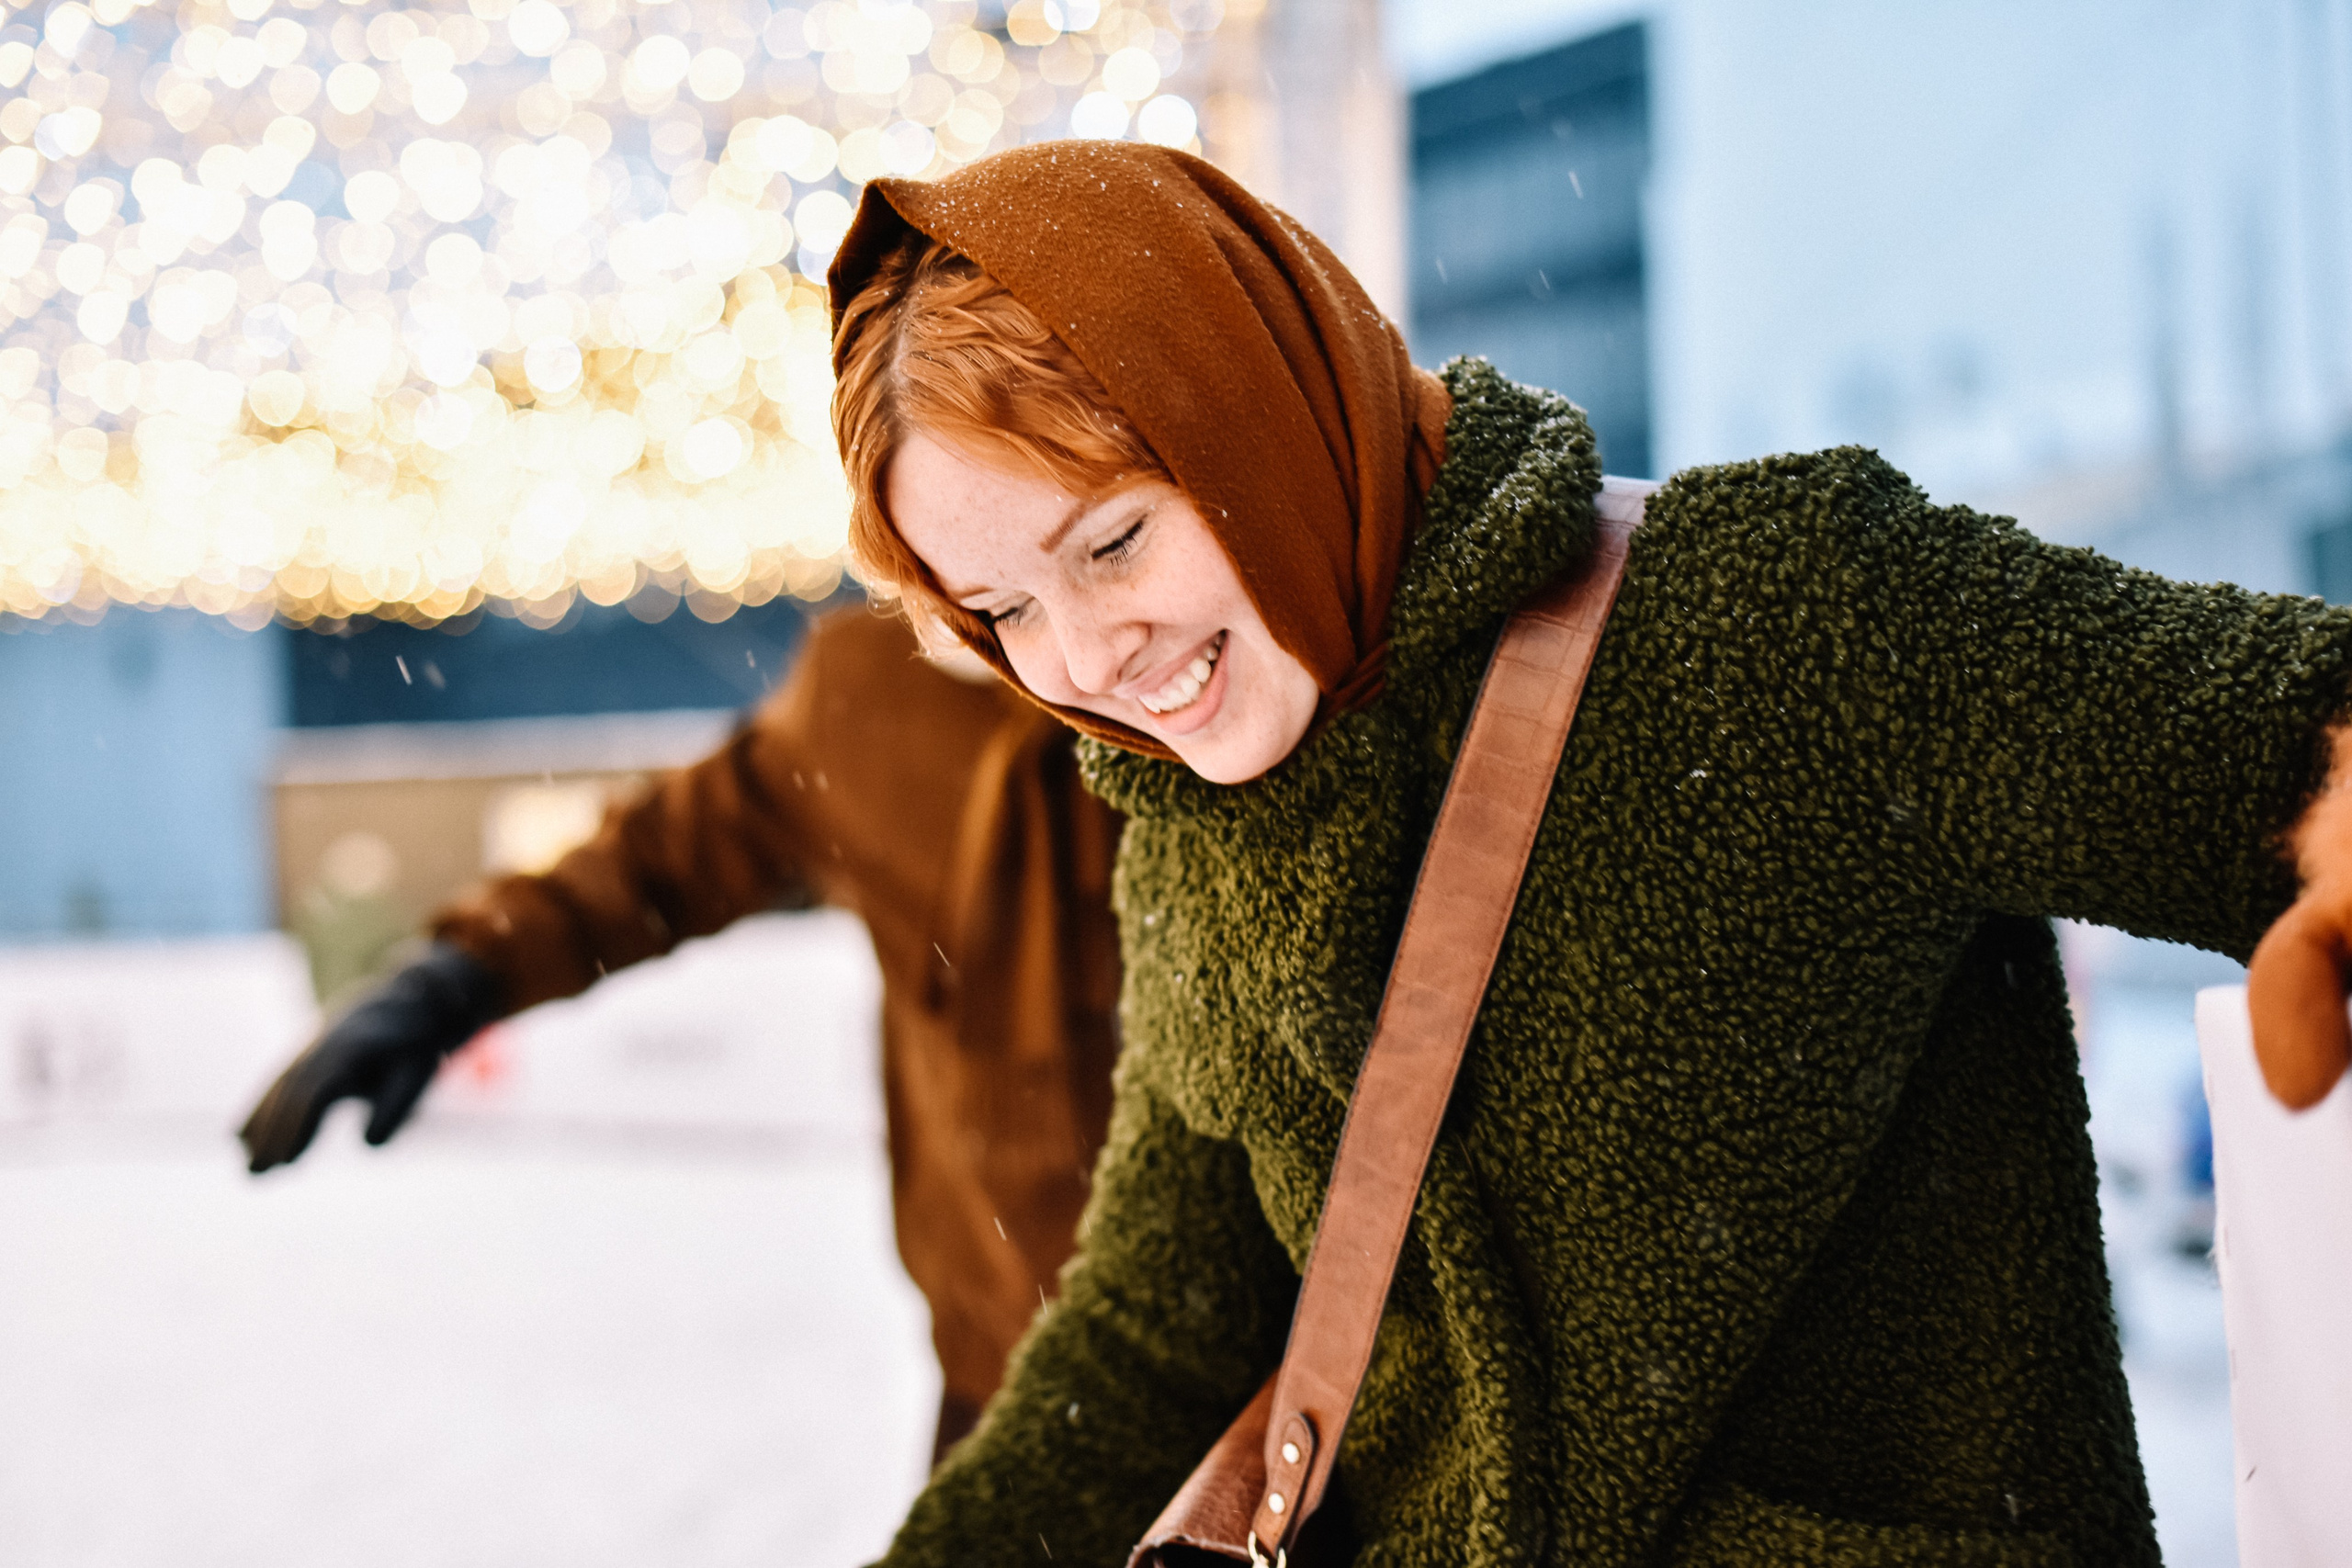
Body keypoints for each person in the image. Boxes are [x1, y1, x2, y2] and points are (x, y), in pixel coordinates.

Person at [823, 141, 2352, 1567]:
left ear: (1261, 421)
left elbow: (2271, 739)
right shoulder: (1191, 838)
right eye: (1004, 612)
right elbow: (1160, 1323)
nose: (1088, 652)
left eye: (1112, 542)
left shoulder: (1771, 614)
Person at [237, 608, 1125, 1461]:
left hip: (1235, 1379)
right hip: (999, 1371)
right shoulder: (864, 690)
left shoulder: (1169, 666)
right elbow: (658, 859)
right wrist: (452, 981)